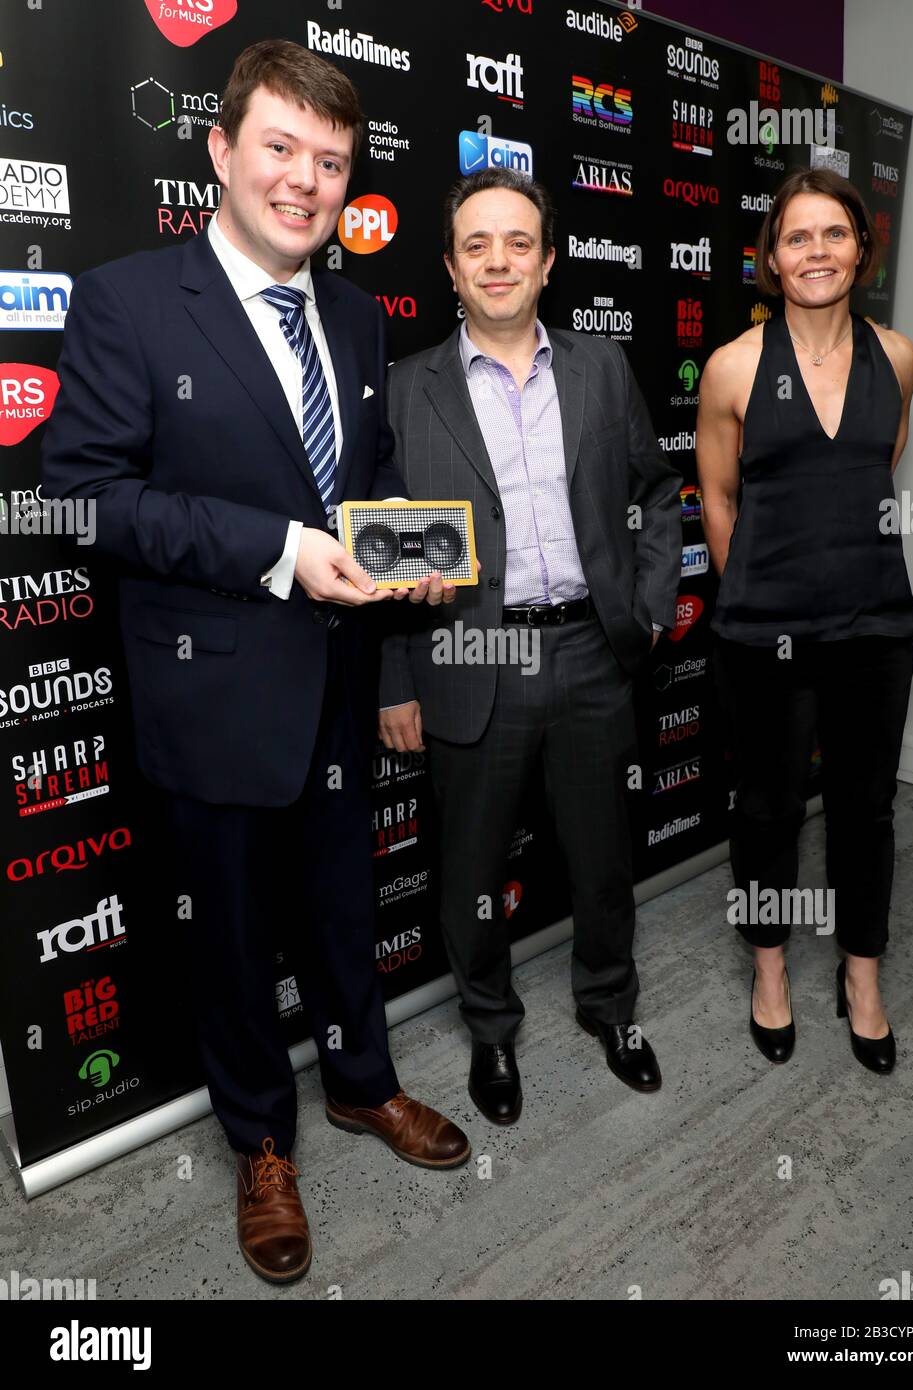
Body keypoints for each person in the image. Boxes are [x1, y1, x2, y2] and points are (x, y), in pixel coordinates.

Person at [41, 39, 470, 1286]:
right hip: (212, 684)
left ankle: (361, 1084)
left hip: (339, 679)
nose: (305, 180)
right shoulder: (127, 300)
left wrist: (406, 550)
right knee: (229, 938)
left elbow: (365, 478)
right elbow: (87, 502)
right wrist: (279, 548)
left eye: (330, 162)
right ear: (221, 152)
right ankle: (260, 1142)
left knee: (344, 913)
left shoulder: (352, 307)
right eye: (280, 148)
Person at [378, 169, 682, 1124]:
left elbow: (659, 492)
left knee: (601, 858)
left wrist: (644, 607)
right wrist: (394, 681)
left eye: (518, 242)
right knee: (470, 870)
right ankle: (490, 1032)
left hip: (592, 650)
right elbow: (377, 548)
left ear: (549, 262)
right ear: (450, 269)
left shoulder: (600, 367)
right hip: (469, 661)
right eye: (478, 245)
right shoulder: (400, 391)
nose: (499, 260)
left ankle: (611, 1007)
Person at [696, 167, 913, 1074]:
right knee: (768, 809)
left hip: (875, 627)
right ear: (772, 258)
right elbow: (716, 496)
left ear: (861, 249)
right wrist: (754, 593)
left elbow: (880, 466)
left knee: (866, 810)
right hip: (766, 637)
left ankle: (862, 979)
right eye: (798, 237)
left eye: (835, 234)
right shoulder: (735, 366)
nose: (817, 252)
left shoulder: (898, 356)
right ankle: (772, 971)